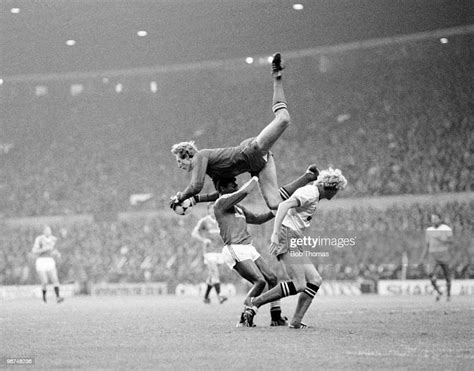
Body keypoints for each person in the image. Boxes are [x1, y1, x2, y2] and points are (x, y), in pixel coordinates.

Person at [170, 53, 319, 210]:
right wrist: (195, 200)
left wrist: (181, 197)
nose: (179, 166)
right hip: (256, 166)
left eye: (179, 161)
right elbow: (225, 194)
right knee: (275, 203)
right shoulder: (212, 172)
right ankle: (309, 176)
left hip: (251, 151)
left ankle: (276, 77)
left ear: (188, 155)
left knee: (283, 119)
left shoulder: (201, 156)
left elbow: (196, 186)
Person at [243, 168, 347, 329]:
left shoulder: (315, 194)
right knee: (299, 284)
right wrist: (276, 233)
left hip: (294, 238)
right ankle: (254, 303)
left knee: (315, 280)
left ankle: (296, 321)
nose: (336, 194)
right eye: (337, 190)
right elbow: (284, 205)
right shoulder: (310, 193)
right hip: (287, 235)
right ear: (331, 187)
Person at [213, 176, 287, 327]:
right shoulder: (220, 203)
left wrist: (276, 211)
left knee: (272, 278)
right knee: (259, 281)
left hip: (248, 247)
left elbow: (258, 219)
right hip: (234, 247)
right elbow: (244, 191)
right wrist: (255, 178)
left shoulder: (238, 208)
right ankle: (244, 317)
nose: (235, 185)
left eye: (236, 183)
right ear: (222, 189)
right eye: (231, 183)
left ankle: (276, 317)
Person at [191, 202, 228, 304]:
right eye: (211, 209)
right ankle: (220, 295)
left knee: (212, 275)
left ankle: (206, 297)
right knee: (215, 272)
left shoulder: (221, 221)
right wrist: (203, 240)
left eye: (214, 209)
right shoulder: (204, 221)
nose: (213, 211)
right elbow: (194, 233)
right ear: (208, 210)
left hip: (220, 252)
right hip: (209, 252)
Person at [419, 213, 453, 301]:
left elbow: (451, 240)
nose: (433, 221)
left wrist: (441, 239)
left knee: (447, 275)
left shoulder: (446, 228)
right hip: (433, 255)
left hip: (443, 253)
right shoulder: (429, 230)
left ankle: (448, 295)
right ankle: (438, 292)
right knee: (430, 273)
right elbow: (427, 244)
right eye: (432, 219)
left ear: (440, 219)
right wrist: (422, 256)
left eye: (435, 219)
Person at [31, 225, 64, 303]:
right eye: (46, 230)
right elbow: (34, 251)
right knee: (45, 282)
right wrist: (44, 249)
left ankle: (58, 297)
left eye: (49, 230)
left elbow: (53, 250)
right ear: (43, 231)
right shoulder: (39, 239)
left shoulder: (54, 239)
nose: (48, 232)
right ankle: (44, 298)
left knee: (55, 279)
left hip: (49, 260)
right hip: (41, 261)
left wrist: (57, 253)